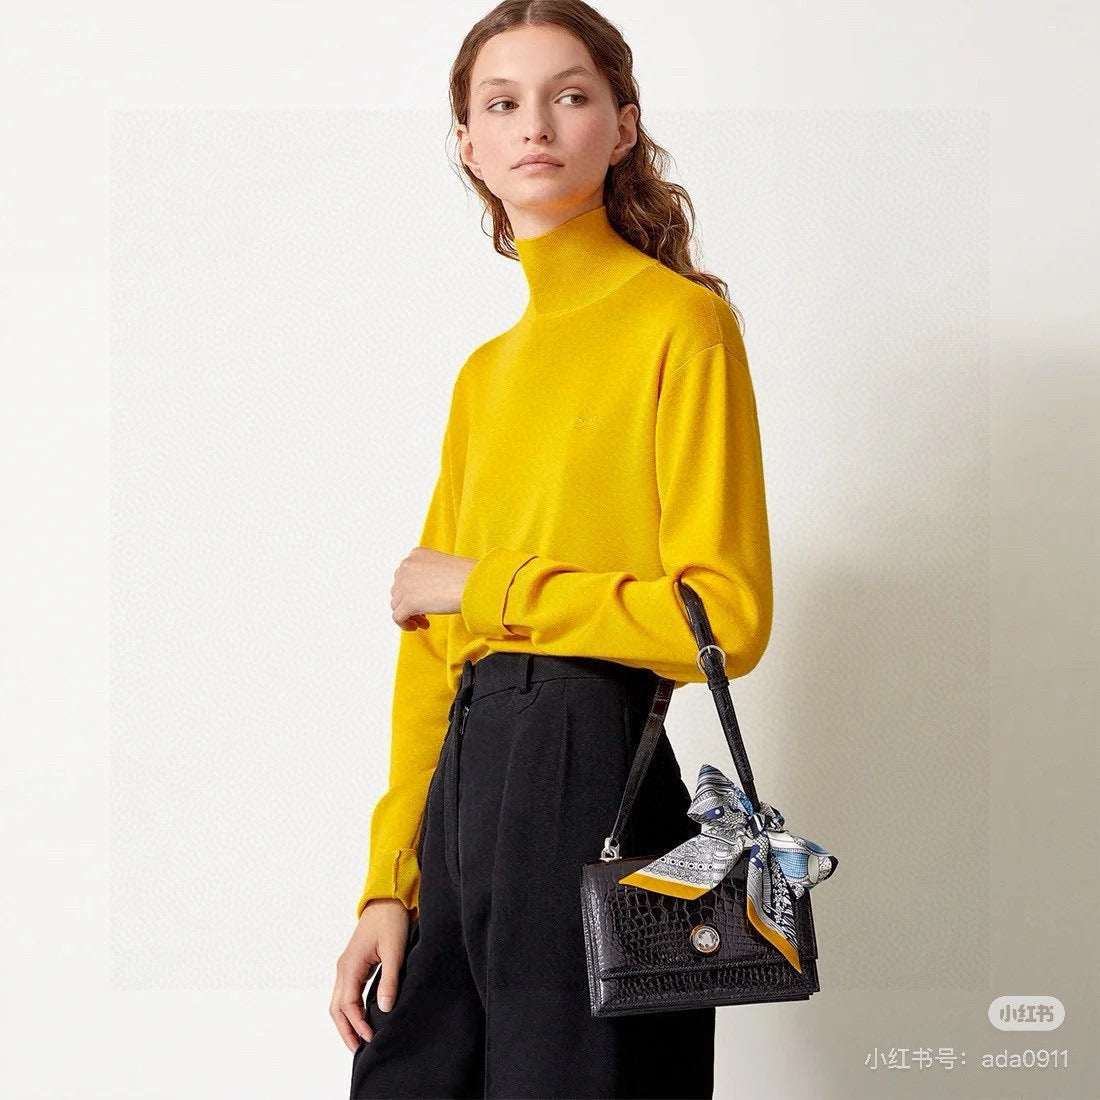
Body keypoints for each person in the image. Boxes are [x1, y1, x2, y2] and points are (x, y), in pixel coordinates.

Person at [331, 2, 773, 1096]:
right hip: (464, 784)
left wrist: (490, 587)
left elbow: (722, 616)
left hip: (590, 762)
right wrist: (389, 882)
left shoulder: (678, 324)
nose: (534, 124)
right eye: (502, 103)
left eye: (569, 95)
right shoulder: (485, 375)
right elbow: (433, 651)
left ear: (621, 127)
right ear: (468, 145)